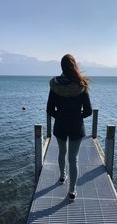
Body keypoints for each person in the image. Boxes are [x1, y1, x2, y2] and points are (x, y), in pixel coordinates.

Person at [46, 54, 92, 200]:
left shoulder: (55, 84)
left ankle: (62, 176)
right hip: (76, 126)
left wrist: (60, 116)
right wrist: (78, 117)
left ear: (62, 67)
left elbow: (49, 109)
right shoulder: (81, 85)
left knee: (61, 152)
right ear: (74, 66)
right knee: (74, 159)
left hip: (60, 125)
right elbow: (89, 111)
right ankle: (72, 191)